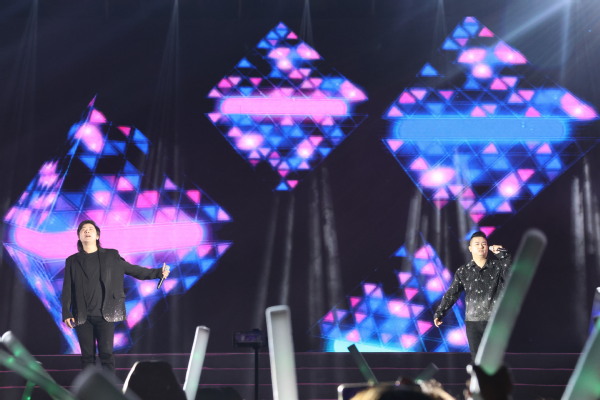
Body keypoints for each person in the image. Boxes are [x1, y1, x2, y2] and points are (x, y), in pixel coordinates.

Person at [61, 220, 170, 372]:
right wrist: (66, 312)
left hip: (106, 314)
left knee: (106, 355)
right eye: (83, 229)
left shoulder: (111, 256)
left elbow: (133, 270)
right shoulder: (72, 261)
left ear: (97, 235)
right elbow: (67, 288)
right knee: (87, 357)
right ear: (79, 236)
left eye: (90, 229)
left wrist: (157, 273)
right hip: (82, 315)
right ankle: (89, 387)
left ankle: (108, 386)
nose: (87, 231)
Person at [433, 231, 511, 360]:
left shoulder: (498, 267)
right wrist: (439, 312)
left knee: (494, 359)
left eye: (484, 244)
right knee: (477, 360)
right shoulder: (463, 271)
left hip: (494, 321)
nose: (481, 246)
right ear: (470, 248)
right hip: (472, 322)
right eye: (477, 244)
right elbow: (452, 293)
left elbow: (511, 276)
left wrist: (502, 254)